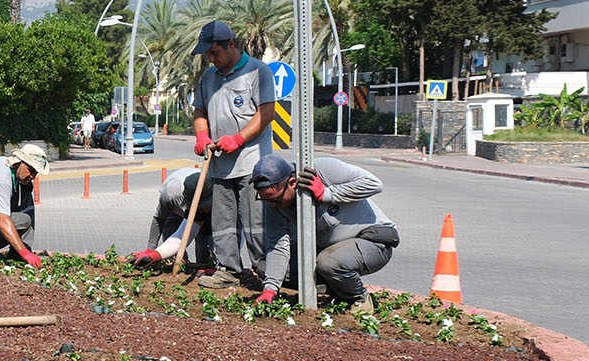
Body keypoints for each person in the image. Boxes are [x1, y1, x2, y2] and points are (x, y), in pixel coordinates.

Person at [248, 154, 399, 312]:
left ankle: (358, 297)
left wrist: (326, 194)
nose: (272, 205)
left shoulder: (321, 170)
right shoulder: (273, 203)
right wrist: (270, 290)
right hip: (330, 250)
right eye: (266, 200)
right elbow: (278, 245)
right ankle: (337, 287)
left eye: (276, 199)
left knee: (328, 262)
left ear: (292, 183)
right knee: (265, 268)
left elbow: (374, 184)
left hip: (372, 241)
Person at [190, 20, 277, 288]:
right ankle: (228, 271)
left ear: (231, 44)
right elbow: (200, 112)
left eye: (214, 52)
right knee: (223, 224)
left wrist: (239, 138)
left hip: (252, 164)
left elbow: (266, 113)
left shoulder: (258, 72)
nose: (210, 58)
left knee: (256, 224)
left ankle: (266, 273)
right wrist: (202, 135)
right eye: (207, 54)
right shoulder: (208, 78)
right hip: (219, 165)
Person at [127, 165, 214, 271]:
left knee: (204, 242)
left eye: (202, 206)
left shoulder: (216, 193)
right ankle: (180, 263)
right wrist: (151, 252)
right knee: (170, 230)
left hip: (207, 208)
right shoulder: (170, 195)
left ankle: (205, 265)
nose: (200, 209)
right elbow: (161, 221)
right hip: (175, 202)